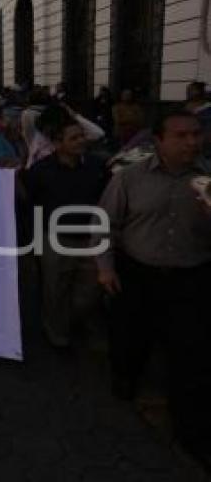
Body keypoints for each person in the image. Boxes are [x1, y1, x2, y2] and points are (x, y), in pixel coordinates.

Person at [97, 110, 211, 463]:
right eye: (181, 136)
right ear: (158, 140)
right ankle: (125, 378)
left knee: (189, 354)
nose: (191, 142)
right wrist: (105, 267)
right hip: (137, 274)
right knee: (131, 337)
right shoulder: (129, 178)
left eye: (196, 134)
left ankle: (188, 428)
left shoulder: (208, 179)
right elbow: (105, 224)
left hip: (191, 278)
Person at [25, 120, 108, 348]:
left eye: (82, 136)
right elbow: (30, 204)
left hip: (90, 239)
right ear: (57, 143)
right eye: (73, 138)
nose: (81, 141)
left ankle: (75, 320)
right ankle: (57, 333)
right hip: (55, 240)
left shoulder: (97, 166)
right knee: (55, 289)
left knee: (90, 290)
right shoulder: (40, 170)